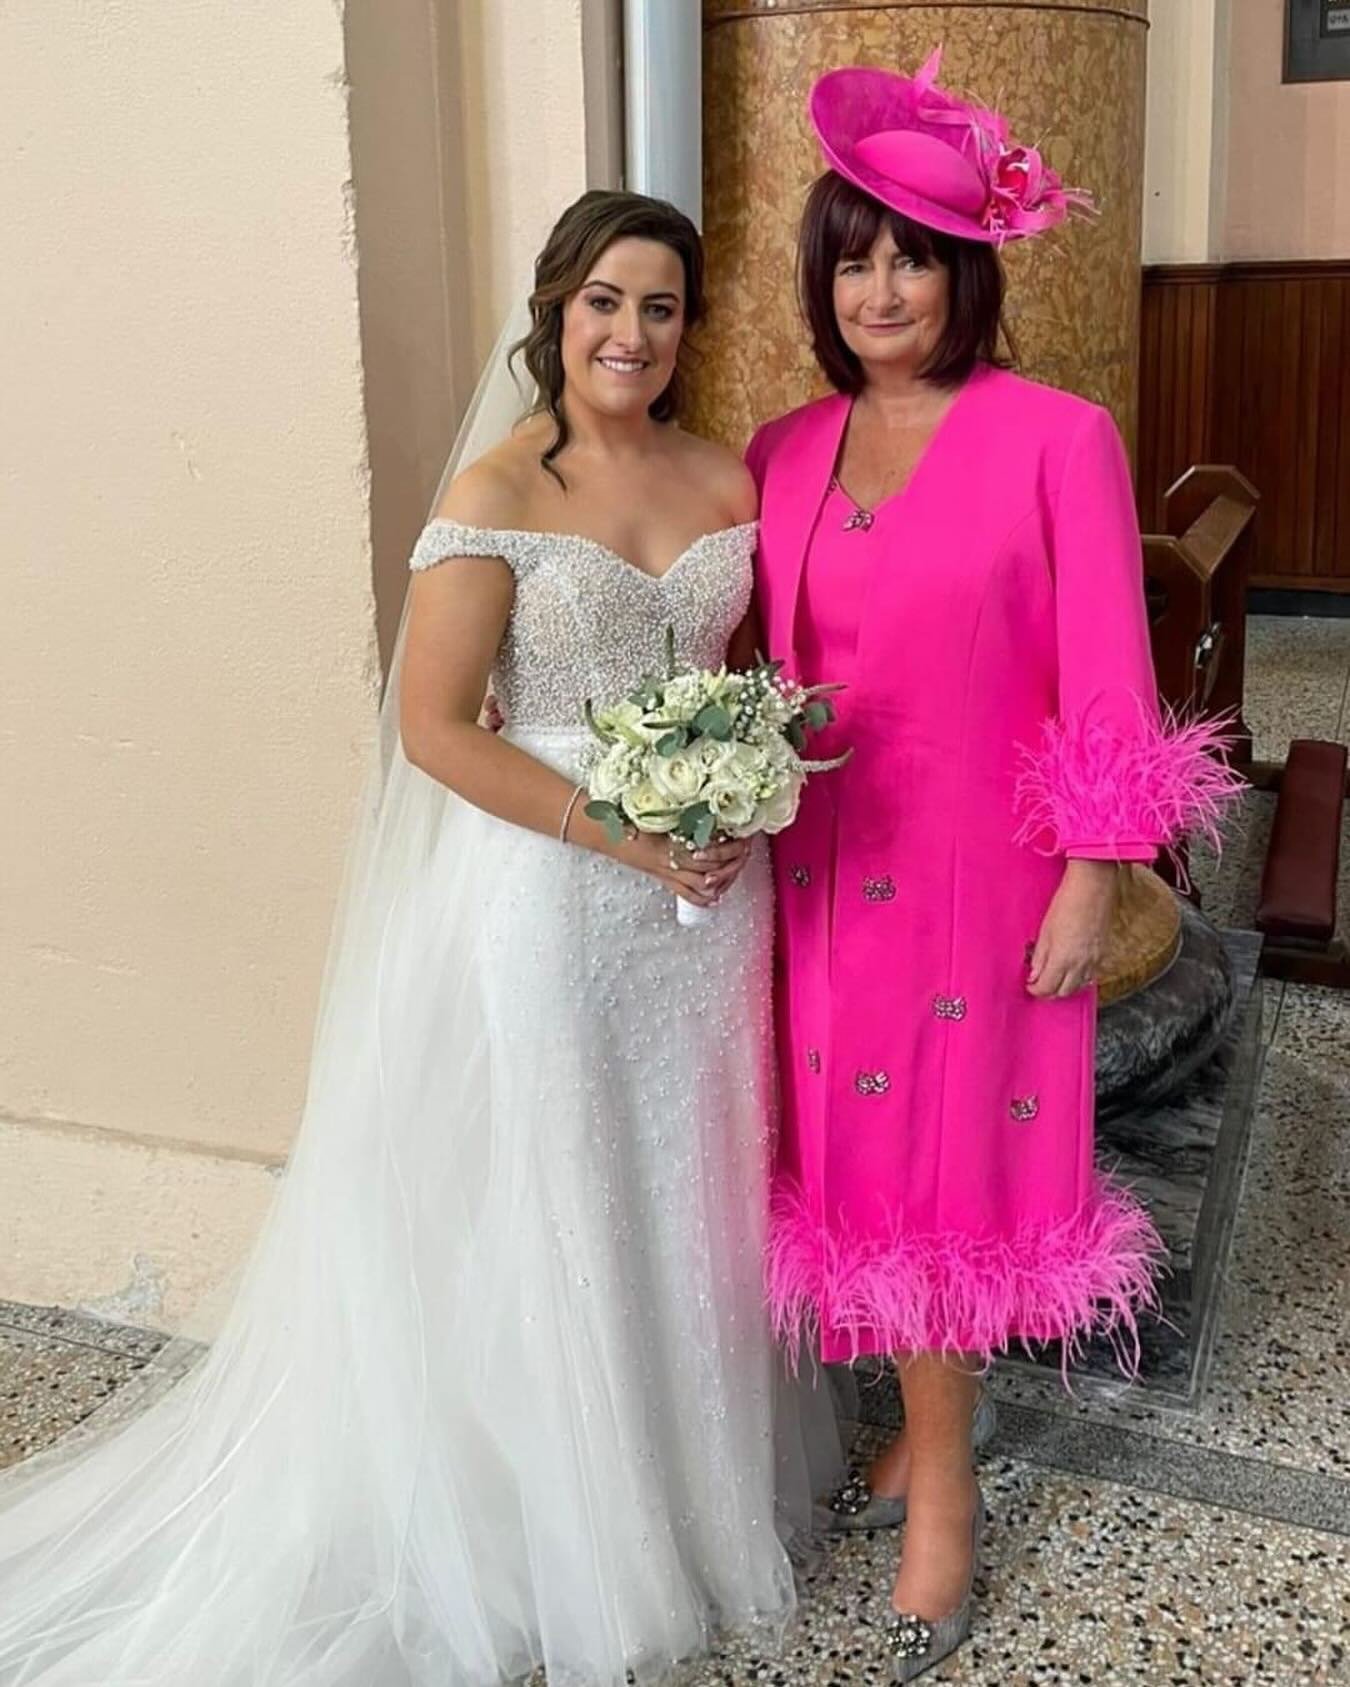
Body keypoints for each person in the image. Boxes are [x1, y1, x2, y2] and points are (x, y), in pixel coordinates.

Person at [0, 189, 837, 1687]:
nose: (629, 332)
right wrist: (621, 833)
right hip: (551, 890)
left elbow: (761, 673)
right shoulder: (500, 489)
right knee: (559, 1189)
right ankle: (576, 1525)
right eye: (603, 301)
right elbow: (437, 732)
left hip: (710, 907)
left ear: (687, 328)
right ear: (555, 310)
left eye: (659, 306)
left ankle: (693, 1493)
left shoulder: (728, 481)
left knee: (694, 1176)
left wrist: (747, 780)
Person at [746, 52, 1242, 1681]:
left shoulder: (1053, 435)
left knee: (948, 1174)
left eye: (913, 255)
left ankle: (943, 1469)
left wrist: (1096, 871)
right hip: (819, 870)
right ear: (821, 280)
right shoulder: (781, 445)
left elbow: (1108, 669)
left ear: (967, 272)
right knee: (848, 1169)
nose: (880, 286)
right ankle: (901, 1429)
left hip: (984, 873)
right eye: (854, 255)